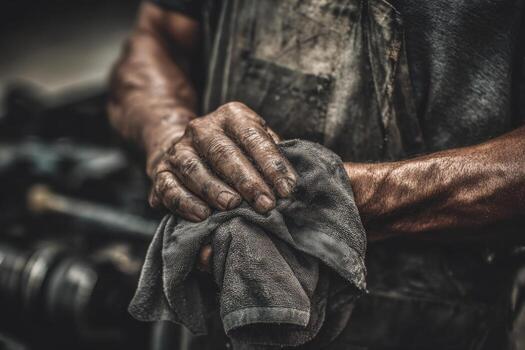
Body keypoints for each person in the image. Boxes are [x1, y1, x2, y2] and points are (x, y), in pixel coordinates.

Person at [108, 0, 525, 348]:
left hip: (440, 321)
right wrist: (176, 149)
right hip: (214, 309)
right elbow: (156, 39)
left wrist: (338, 199)